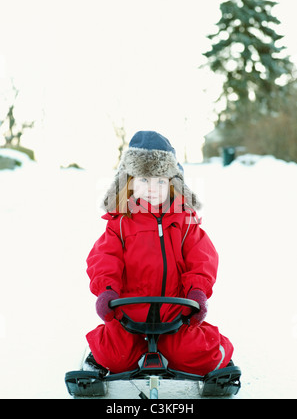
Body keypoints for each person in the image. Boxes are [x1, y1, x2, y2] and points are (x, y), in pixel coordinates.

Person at [85, 130, 234, 376]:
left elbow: (202, 258)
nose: (152, 188)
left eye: (161, 181)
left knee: (195, 354)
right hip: (128, 313)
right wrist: (106, 290)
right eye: (144, 180)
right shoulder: (120, 222)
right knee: (115, 357)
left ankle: (215, 349)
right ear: (129, 181)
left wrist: (197, 290)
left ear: (173, 184)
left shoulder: (186, 222)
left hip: (174, 313)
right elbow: (103, 259)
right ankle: (104, 348)